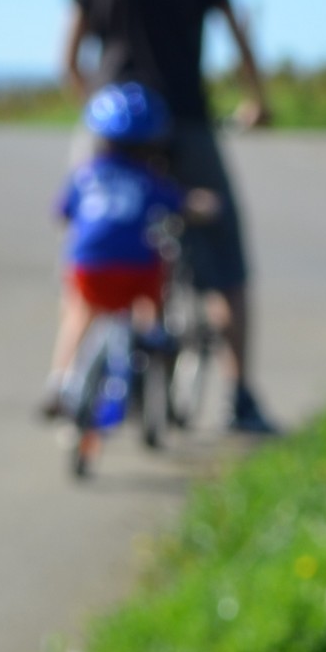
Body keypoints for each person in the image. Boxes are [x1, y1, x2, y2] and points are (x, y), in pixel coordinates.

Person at [61, 0, 277, 434]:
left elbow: (70, 57)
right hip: (182, 120)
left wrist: (95, 107)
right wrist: (256, 101)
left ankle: (64, 381)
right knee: (225, 259)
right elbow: (236, 39)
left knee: (92, 242)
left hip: (109, 128)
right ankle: (240, 399)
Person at [43, 84, 215, 419]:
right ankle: (151, 338)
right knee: (151, 293)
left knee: (80, 313)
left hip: (88, 267)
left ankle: (60, 384)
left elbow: (61, 214)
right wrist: (207, 206)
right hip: (138, 270)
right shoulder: (148, 179)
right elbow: (183, 205)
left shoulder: (85, 175)